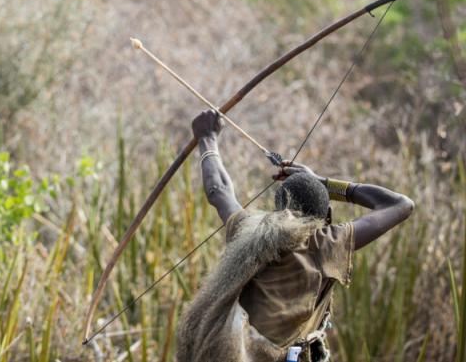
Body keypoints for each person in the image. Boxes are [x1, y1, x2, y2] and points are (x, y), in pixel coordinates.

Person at [176, 110, 415, 362]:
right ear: (325, 216)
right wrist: (324, 183)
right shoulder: (325, 244)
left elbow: (219, 191)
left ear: (279, 209)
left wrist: (207, 138)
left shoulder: (251, 229)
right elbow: (401, 204)